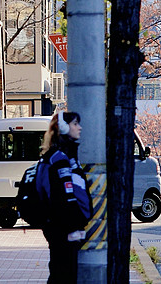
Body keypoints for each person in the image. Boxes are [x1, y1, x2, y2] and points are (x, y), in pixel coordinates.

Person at [39, 112, 93, 284]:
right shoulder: (60, 159)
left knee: (62, 271)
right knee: (63, 273)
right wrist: (75, 224)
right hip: (63, 227)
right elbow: (64, 196)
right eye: (75, 123)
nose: (80, 127)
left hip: (62, 226)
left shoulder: (65, 155)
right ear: (63, 127)